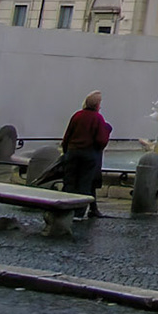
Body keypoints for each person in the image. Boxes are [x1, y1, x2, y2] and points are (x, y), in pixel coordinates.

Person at [60, 90, 111, 218]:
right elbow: (101, 140)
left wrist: (67, 151)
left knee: (69, 182)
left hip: (72, 152)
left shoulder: (77, 115)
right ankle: (78, 213)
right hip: (88, 155)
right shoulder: (98, 118)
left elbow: (67, 136)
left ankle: (64, 210)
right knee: (85, 183)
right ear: (97, 105)